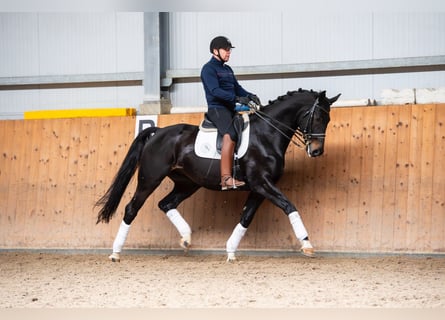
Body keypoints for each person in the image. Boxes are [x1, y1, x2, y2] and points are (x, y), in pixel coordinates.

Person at [200, 36, 261, 190]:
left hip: (230, 109)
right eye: (225, 50)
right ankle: (226, 178)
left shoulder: (227, 69)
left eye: (229, 50)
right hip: (217, 109)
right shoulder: (208, 69)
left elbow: (237, 88)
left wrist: (249, 96)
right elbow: (215, 91)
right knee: (231, 134)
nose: (228, 53)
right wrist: (237, 98)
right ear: (215, 51)